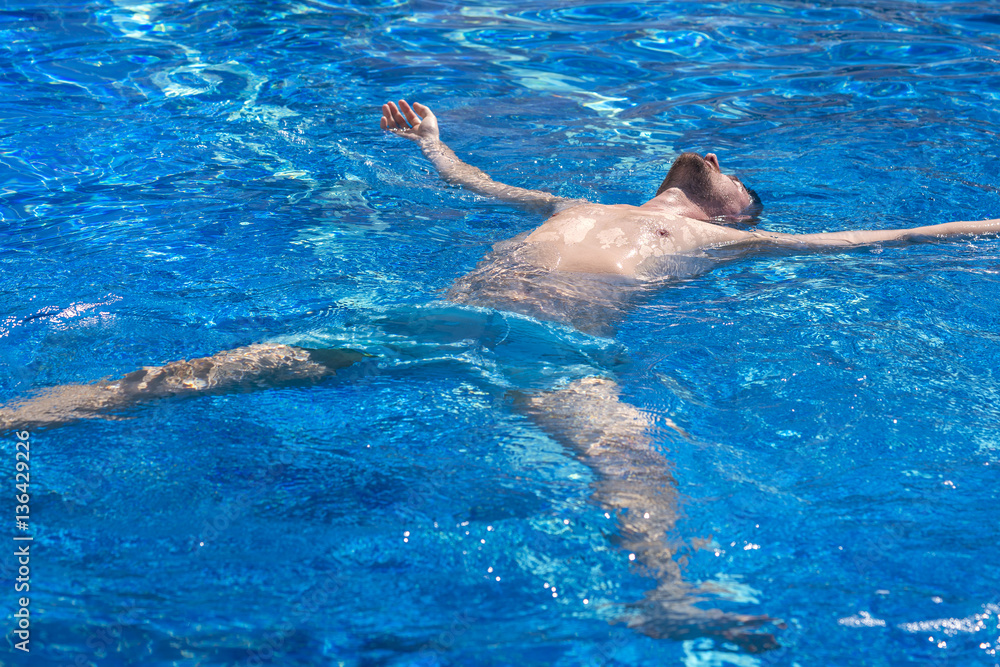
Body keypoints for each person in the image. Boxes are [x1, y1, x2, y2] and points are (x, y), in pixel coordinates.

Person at [3, 99, 998, 652]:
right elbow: (476, 186)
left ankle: (666, 593)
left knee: (631, 457)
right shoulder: (573, 197)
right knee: (198, 372)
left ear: (736, 212)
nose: (724, 166)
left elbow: (891, 235)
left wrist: (984, 227)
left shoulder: (727, 244)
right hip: (432, 318)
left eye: (739, 178)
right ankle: (24, 414)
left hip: (553, 349)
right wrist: (433, 142)